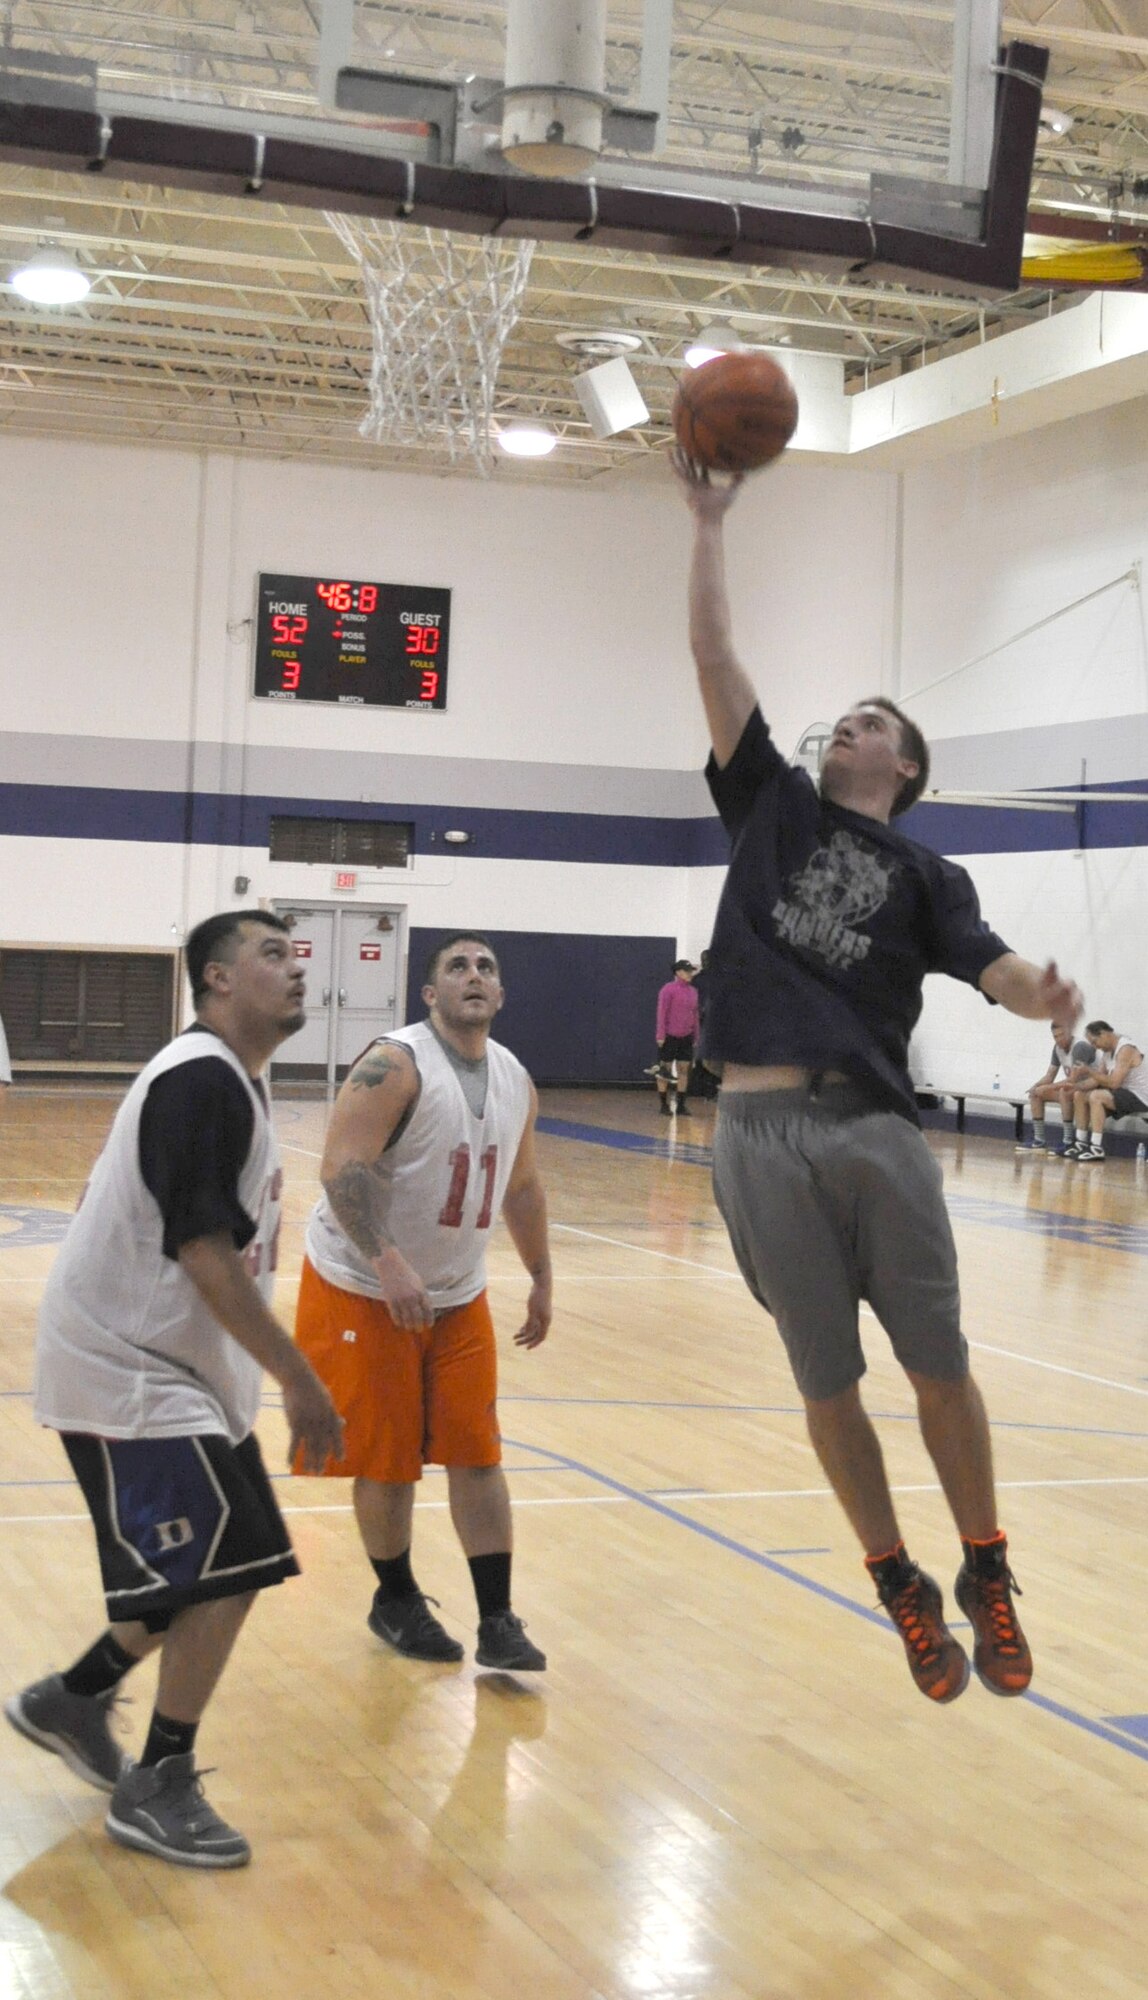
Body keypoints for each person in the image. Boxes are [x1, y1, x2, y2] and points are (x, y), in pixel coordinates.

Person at [676, 452, 1082, 1706]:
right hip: (750, 1126)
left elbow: (989, 967)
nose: (844, 724)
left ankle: (985, 1566)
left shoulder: (924, 875)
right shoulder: (773, 809)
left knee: (935, 1361)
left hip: (866, 1124)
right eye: (842, 715)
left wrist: (1044, 994)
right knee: (823, 1378)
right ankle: (897, 1581)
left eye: (871, 721)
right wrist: (708, 524)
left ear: (903, 764)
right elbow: (713, 660)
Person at [5, 911, 344, 1869]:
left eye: (296, 955)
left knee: (205, 1571)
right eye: (271, 954)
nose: (294, 969)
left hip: (172, 1368)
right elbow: (200, 1250)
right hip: (128, 1370)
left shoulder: (228, 1080)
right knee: (230, 1570)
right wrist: (300, 1379)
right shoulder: (200, 1080)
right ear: (215, 980)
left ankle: (71, 1697)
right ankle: (157, 1781)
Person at [293, 931, 552, 1671]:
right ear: (431, 994)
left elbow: (524, 1185)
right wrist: (387, 1259)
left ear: (500, 996)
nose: (474, 976)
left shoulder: (515, 1079)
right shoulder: (393, 1064)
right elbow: (341, 1167)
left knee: (477, 1452)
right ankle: (396, 1597)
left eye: (487, 968)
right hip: (362, 1283)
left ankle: (499, 1619)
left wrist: (540, 1274)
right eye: (457, 967)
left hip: (456, 1291)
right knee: (389, 1458)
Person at [1069, 1021, 1148, 1162]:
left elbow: (1114, 1082)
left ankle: (1096, 1147)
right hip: (1124, 1094)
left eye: (1094, 1042)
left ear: (1104, 1034)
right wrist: (1075, 1086)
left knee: (1096, 1096)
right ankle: (1080, 1143)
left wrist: (1088, 1070)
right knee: (1079, 1095)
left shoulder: (1125, 1049)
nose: (1095, 1047)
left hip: (1140, 1096)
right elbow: (1096, 1080)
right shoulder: (1106, 1054)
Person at [1017, 1020, 1096, 1155]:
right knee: (1036, 1094)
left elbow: (1072, 1079)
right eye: (1055, 1036)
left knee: (1063, 1092)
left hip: (1089, 1088)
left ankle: (1068, 1141)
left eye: (1061, 1035)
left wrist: (1047, 1087)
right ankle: (1039, 1140)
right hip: (1075, 1088)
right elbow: (1049, 1075)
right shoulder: (1057, 1049)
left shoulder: (1079, 1047)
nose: (1059, 1039)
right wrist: (1035, 1087)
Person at [653, 959, 700, 1116]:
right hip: (669, 1036)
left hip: (686, 1036)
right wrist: (660, 1035)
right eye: (687, 971)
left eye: (691, 971)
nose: (690, 973)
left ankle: (681, 1105)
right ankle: (663, 1104)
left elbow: (695, 1015)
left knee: (683, 1069)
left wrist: (696, 1035)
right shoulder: (668, 989)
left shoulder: (693, 991)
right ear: (678, 972)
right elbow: (661, 1012)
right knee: (664, 1070)